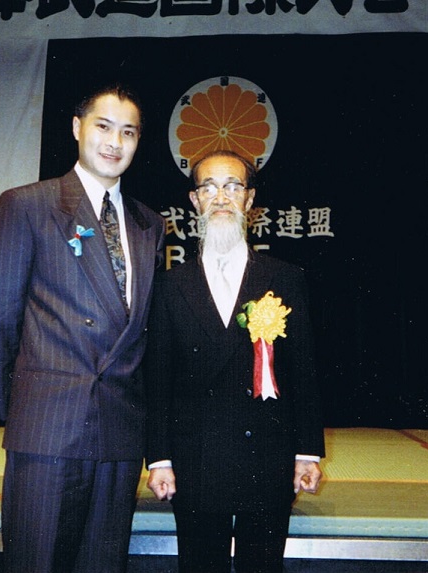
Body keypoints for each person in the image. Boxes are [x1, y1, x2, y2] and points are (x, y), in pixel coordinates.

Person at [0, 83, 166, 573]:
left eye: (128, 133)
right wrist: (20, 401)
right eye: (103, 127)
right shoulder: (29, 205)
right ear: (78, 129)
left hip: (121, 431)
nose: (114, 143)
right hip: (49, 428)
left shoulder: (150, 223)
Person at [145, 150, 325, 573]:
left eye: (233, 186)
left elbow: (304, 372)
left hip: (268, 455)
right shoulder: (169, 286)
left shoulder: (284, 278)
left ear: (249, 200)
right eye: (209, 187)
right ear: (194, 201)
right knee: (198, 564)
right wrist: (159, 459)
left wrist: (308, 452)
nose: (221, 196)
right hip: (195, 460)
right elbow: (157, 380)